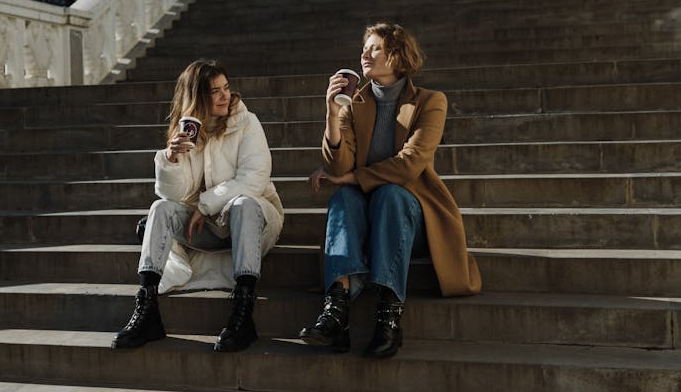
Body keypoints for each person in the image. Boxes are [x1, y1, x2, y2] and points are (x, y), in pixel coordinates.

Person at [299, 23, 481, 358]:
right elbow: (339, 168)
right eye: (363, 48)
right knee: (342, 196)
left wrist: (355, 178)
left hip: (411, 218)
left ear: (397, 55)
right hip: (365, 222)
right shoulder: (354, 104)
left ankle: (389, 316)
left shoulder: (430, 102)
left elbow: (410, 164)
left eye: (375, 48)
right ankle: (335, 310)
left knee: (389, 194)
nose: (364, 54)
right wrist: (331, 112)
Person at [112, 58, 284, 352]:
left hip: (254, 222)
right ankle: (147, 308)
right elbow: (173, 195)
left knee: (243, 203)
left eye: (226, 88)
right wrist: (171, 159)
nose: (224, 96)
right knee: (160, 209)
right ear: (197, 97)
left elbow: (254, 178)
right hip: (206, 229)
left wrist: (204, 205)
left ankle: (243, 313)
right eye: (214, 91)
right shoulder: (189, 131)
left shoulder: (247, 123)